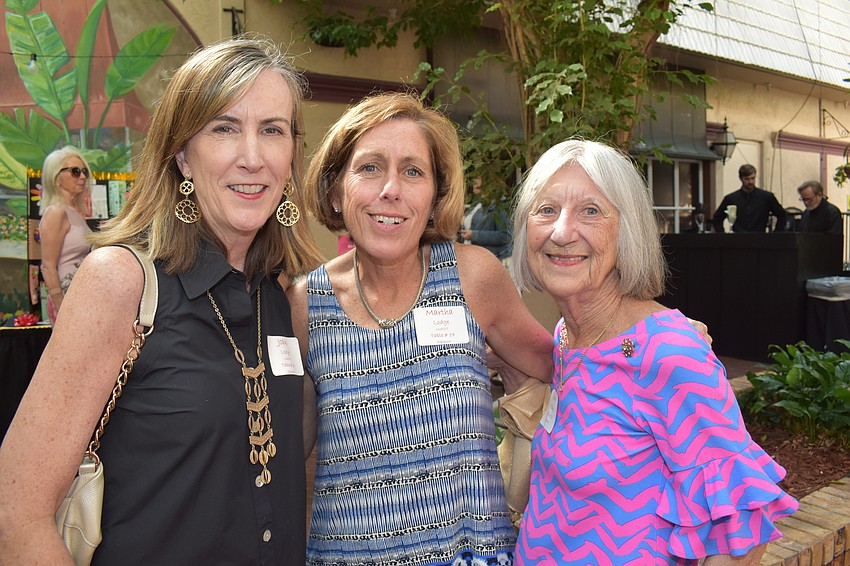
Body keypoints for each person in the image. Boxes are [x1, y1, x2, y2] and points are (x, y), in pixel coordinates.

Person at [0, 36, 323, 564]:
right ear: (182, 157)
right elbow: (17, 515)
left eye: (272, 130)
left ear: (291, 155)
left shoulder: (283, 294)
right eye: (223, 128)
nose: (252, 156)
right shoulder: (122, 283)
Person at [287, 92, 554, 566]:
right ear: (335, 189)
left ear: (435, 195)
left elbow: (565, 367)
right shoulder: (306, 303)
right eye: (370, 167)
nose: (392, 189)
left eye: (413, 171)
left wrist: (646, 341)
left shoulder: (473, 277)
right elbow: (290, 451)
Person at [505, 139, 798, 564]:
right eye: (545, 210)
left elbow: (741, 530)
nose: (562, 232)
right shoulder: (570, 336)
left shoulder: (670, 353)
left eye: (591, 211)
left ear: (629, 230)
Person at [37, 146, 94, 325]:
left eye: (84, 171)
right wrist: (60, 305)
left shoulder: (75, 212)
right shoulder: (56, 212)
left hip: (81, 295)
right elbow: (47, 266)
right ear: (56, 177)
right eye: (75, 171)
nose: (83, 176)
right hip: (66, 297)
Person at [712, 164, 786, 233]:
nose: (750, 182)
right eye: (747, 179)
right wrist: (723, 236)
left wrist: (776, 235)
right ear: (741, 178)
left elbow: (782, 215)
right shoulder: (731, 199)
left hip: (760, 241)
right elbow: (717, 218)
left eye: (752, 178)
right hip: (738, 241)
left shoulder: (766, 197)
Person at [459, 177, 513, 262]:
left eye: (477, 178)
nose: (474, 181)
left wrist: (475, 235)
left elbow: (506, 236)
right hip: (471, 257)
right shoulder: (477, 202)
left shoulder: (500, 205)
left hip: (490, 260)